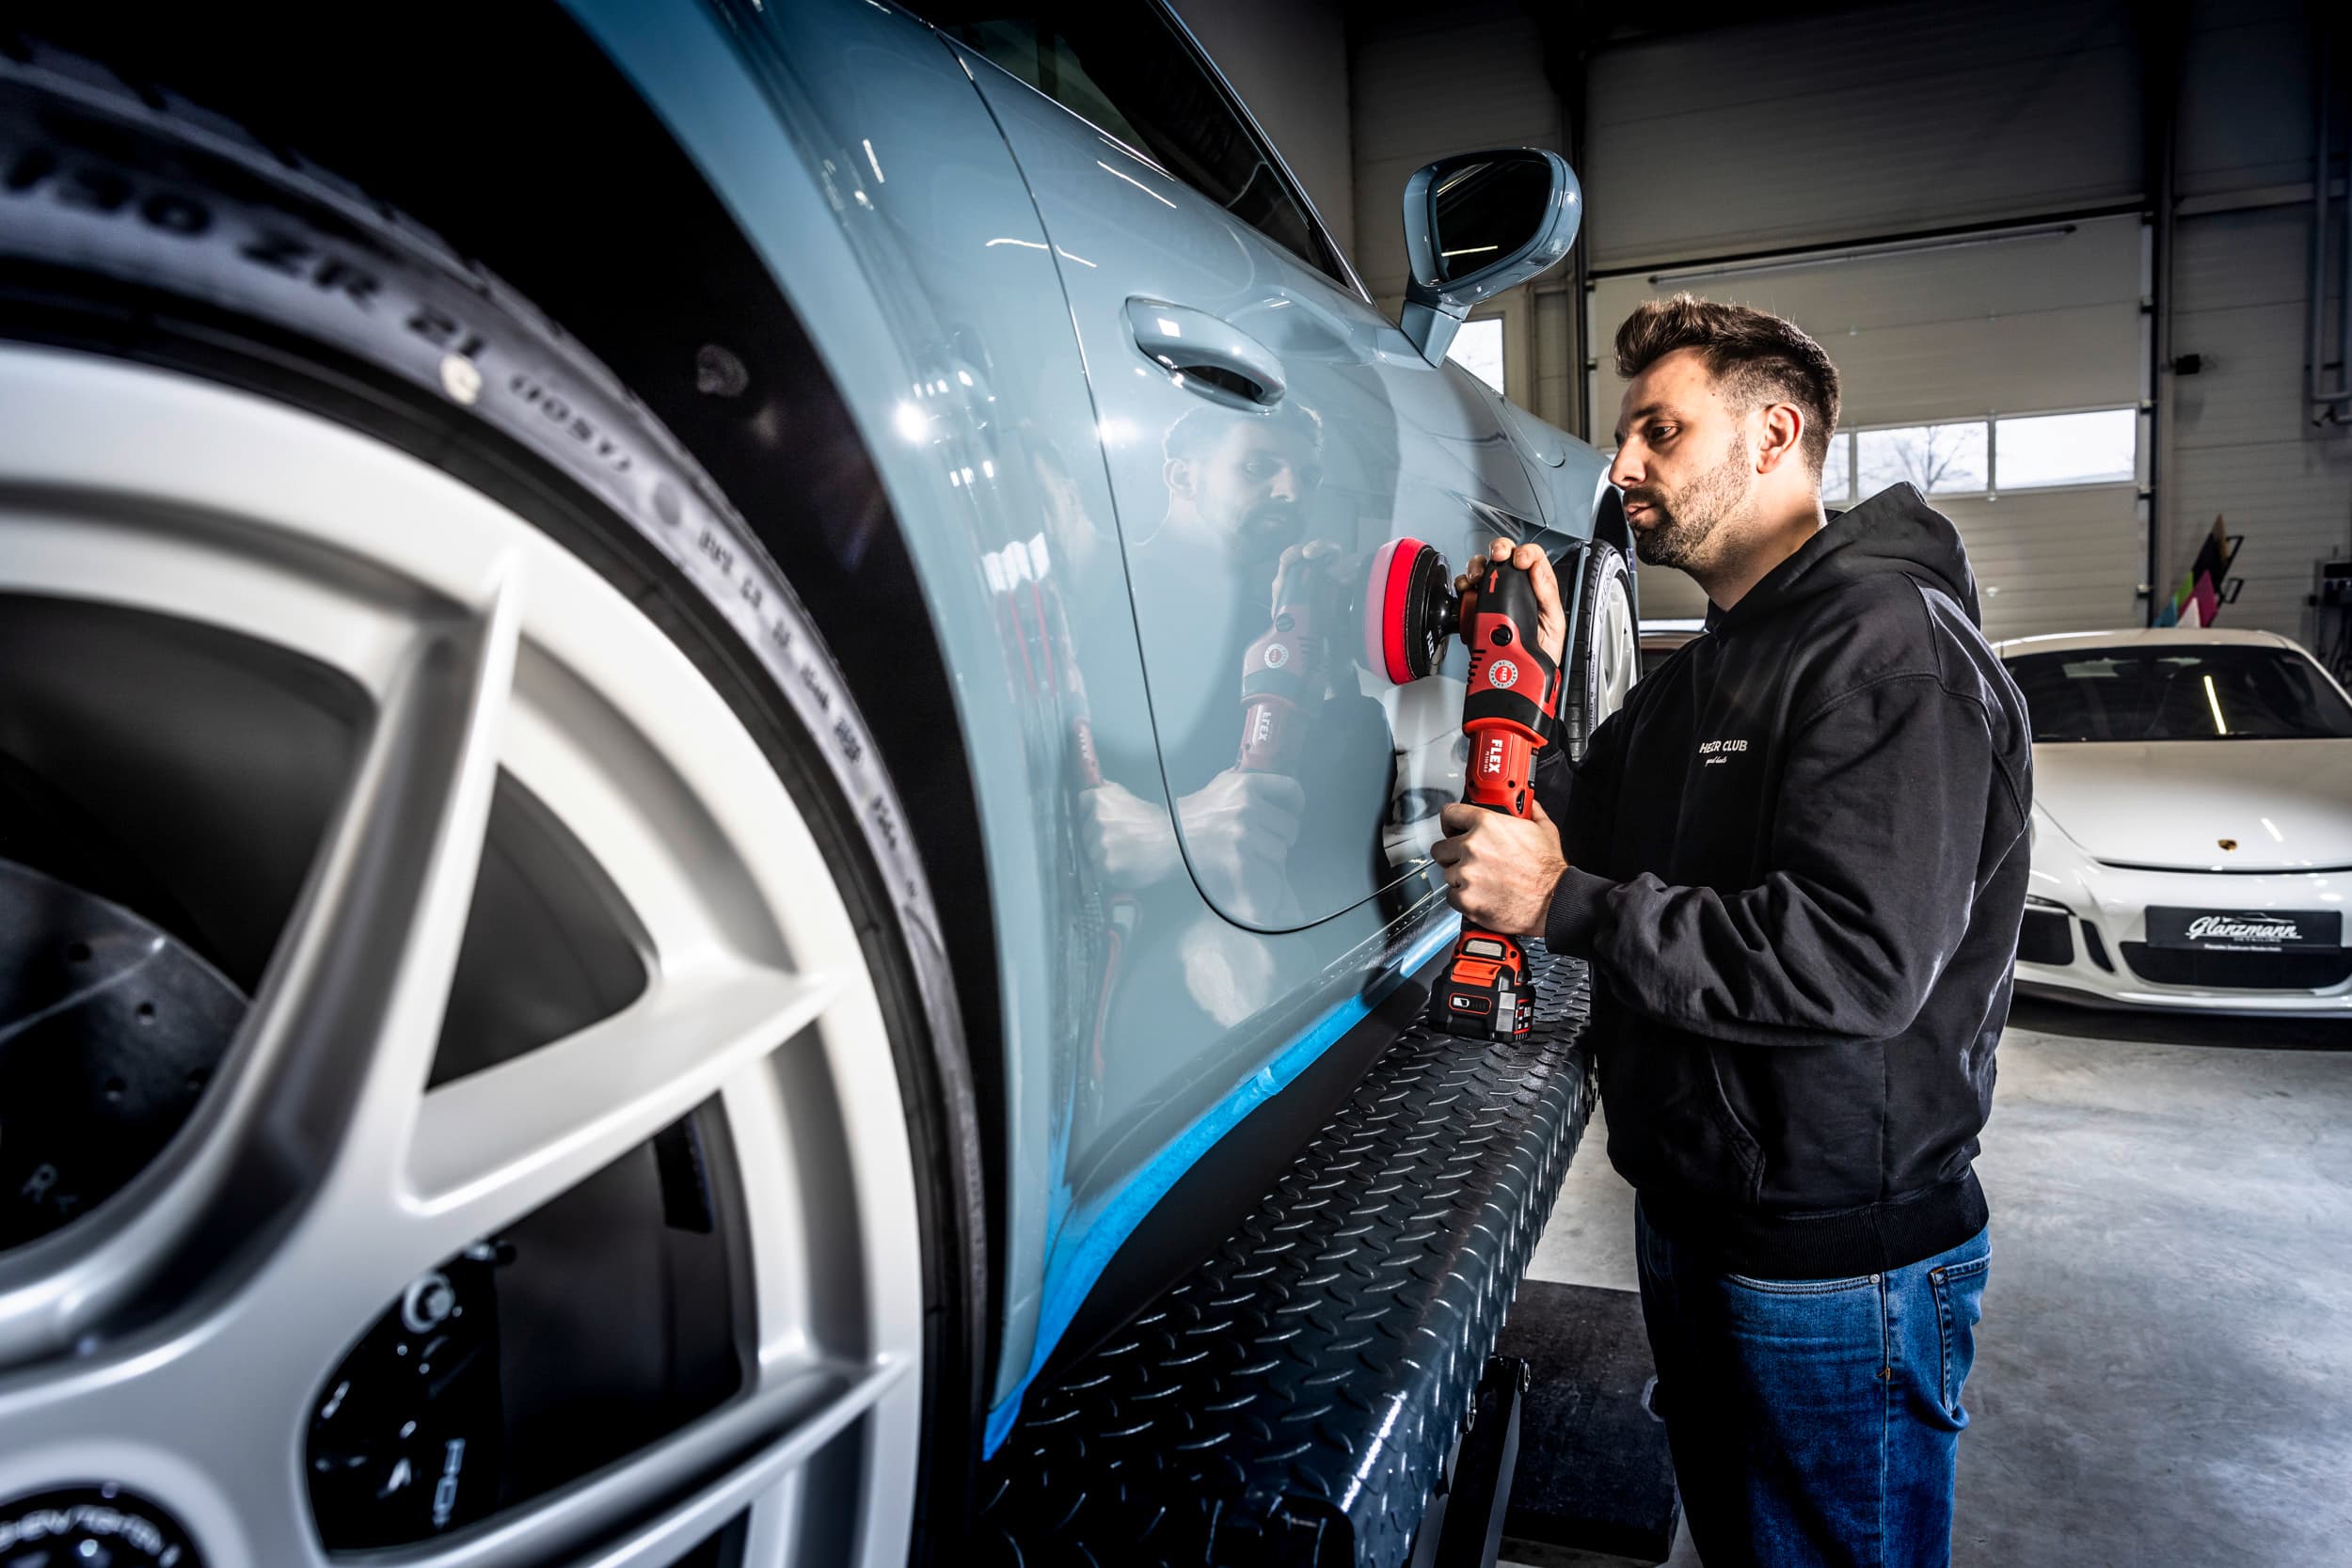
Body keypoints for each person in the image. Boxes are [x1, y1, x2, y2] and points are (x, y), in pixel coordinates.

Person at [1430, 294, 2032, 1568]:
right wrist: (1527, 674)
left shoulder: (1889, 651)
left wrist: (1563, 905)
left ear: (1773, 436)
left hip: (1832, 1266)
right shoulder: (1708, 671)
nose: (1622, 468)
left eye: (1661, 431)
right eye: (1625, 436)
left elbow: (1856, 961)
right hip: (1698, 1216)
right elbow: (1585, 824)